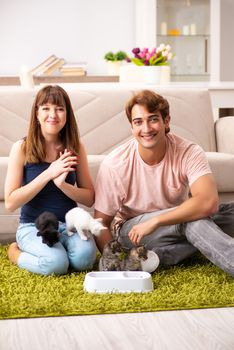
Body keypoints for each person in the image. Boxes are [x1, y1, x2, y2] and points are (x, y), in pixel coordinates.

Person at [94, 89, 234, 277]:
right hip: (133, 231)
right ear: (132, 127)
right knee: (191, 221)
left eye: (153, 119)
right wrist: (113, 260)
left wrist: (157, 220)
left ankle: (157, 257)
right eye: (138, 122)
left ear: (166, 121)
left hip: (170, 221)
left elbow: (208, 202)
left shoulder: (189, 151)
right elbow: (101, 222)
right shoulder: (115, 163)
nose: (146, 128)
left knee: (220, 214)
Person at [5, 85, 97, 275]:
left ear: (67, 114)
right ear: (36, 113)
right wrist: (49, 173)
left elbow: (89, 198)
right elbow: (11, 202)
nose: (52, 114)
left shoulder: (76, 146)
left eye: (59, 108)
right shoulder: (22, 147)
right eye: (46, 108)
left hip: (69, 225)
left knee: (85, 260)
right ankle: (15, 252)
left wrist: (62, 184)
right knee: (56, 265)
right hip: (33, 226)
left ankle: (61, 250)